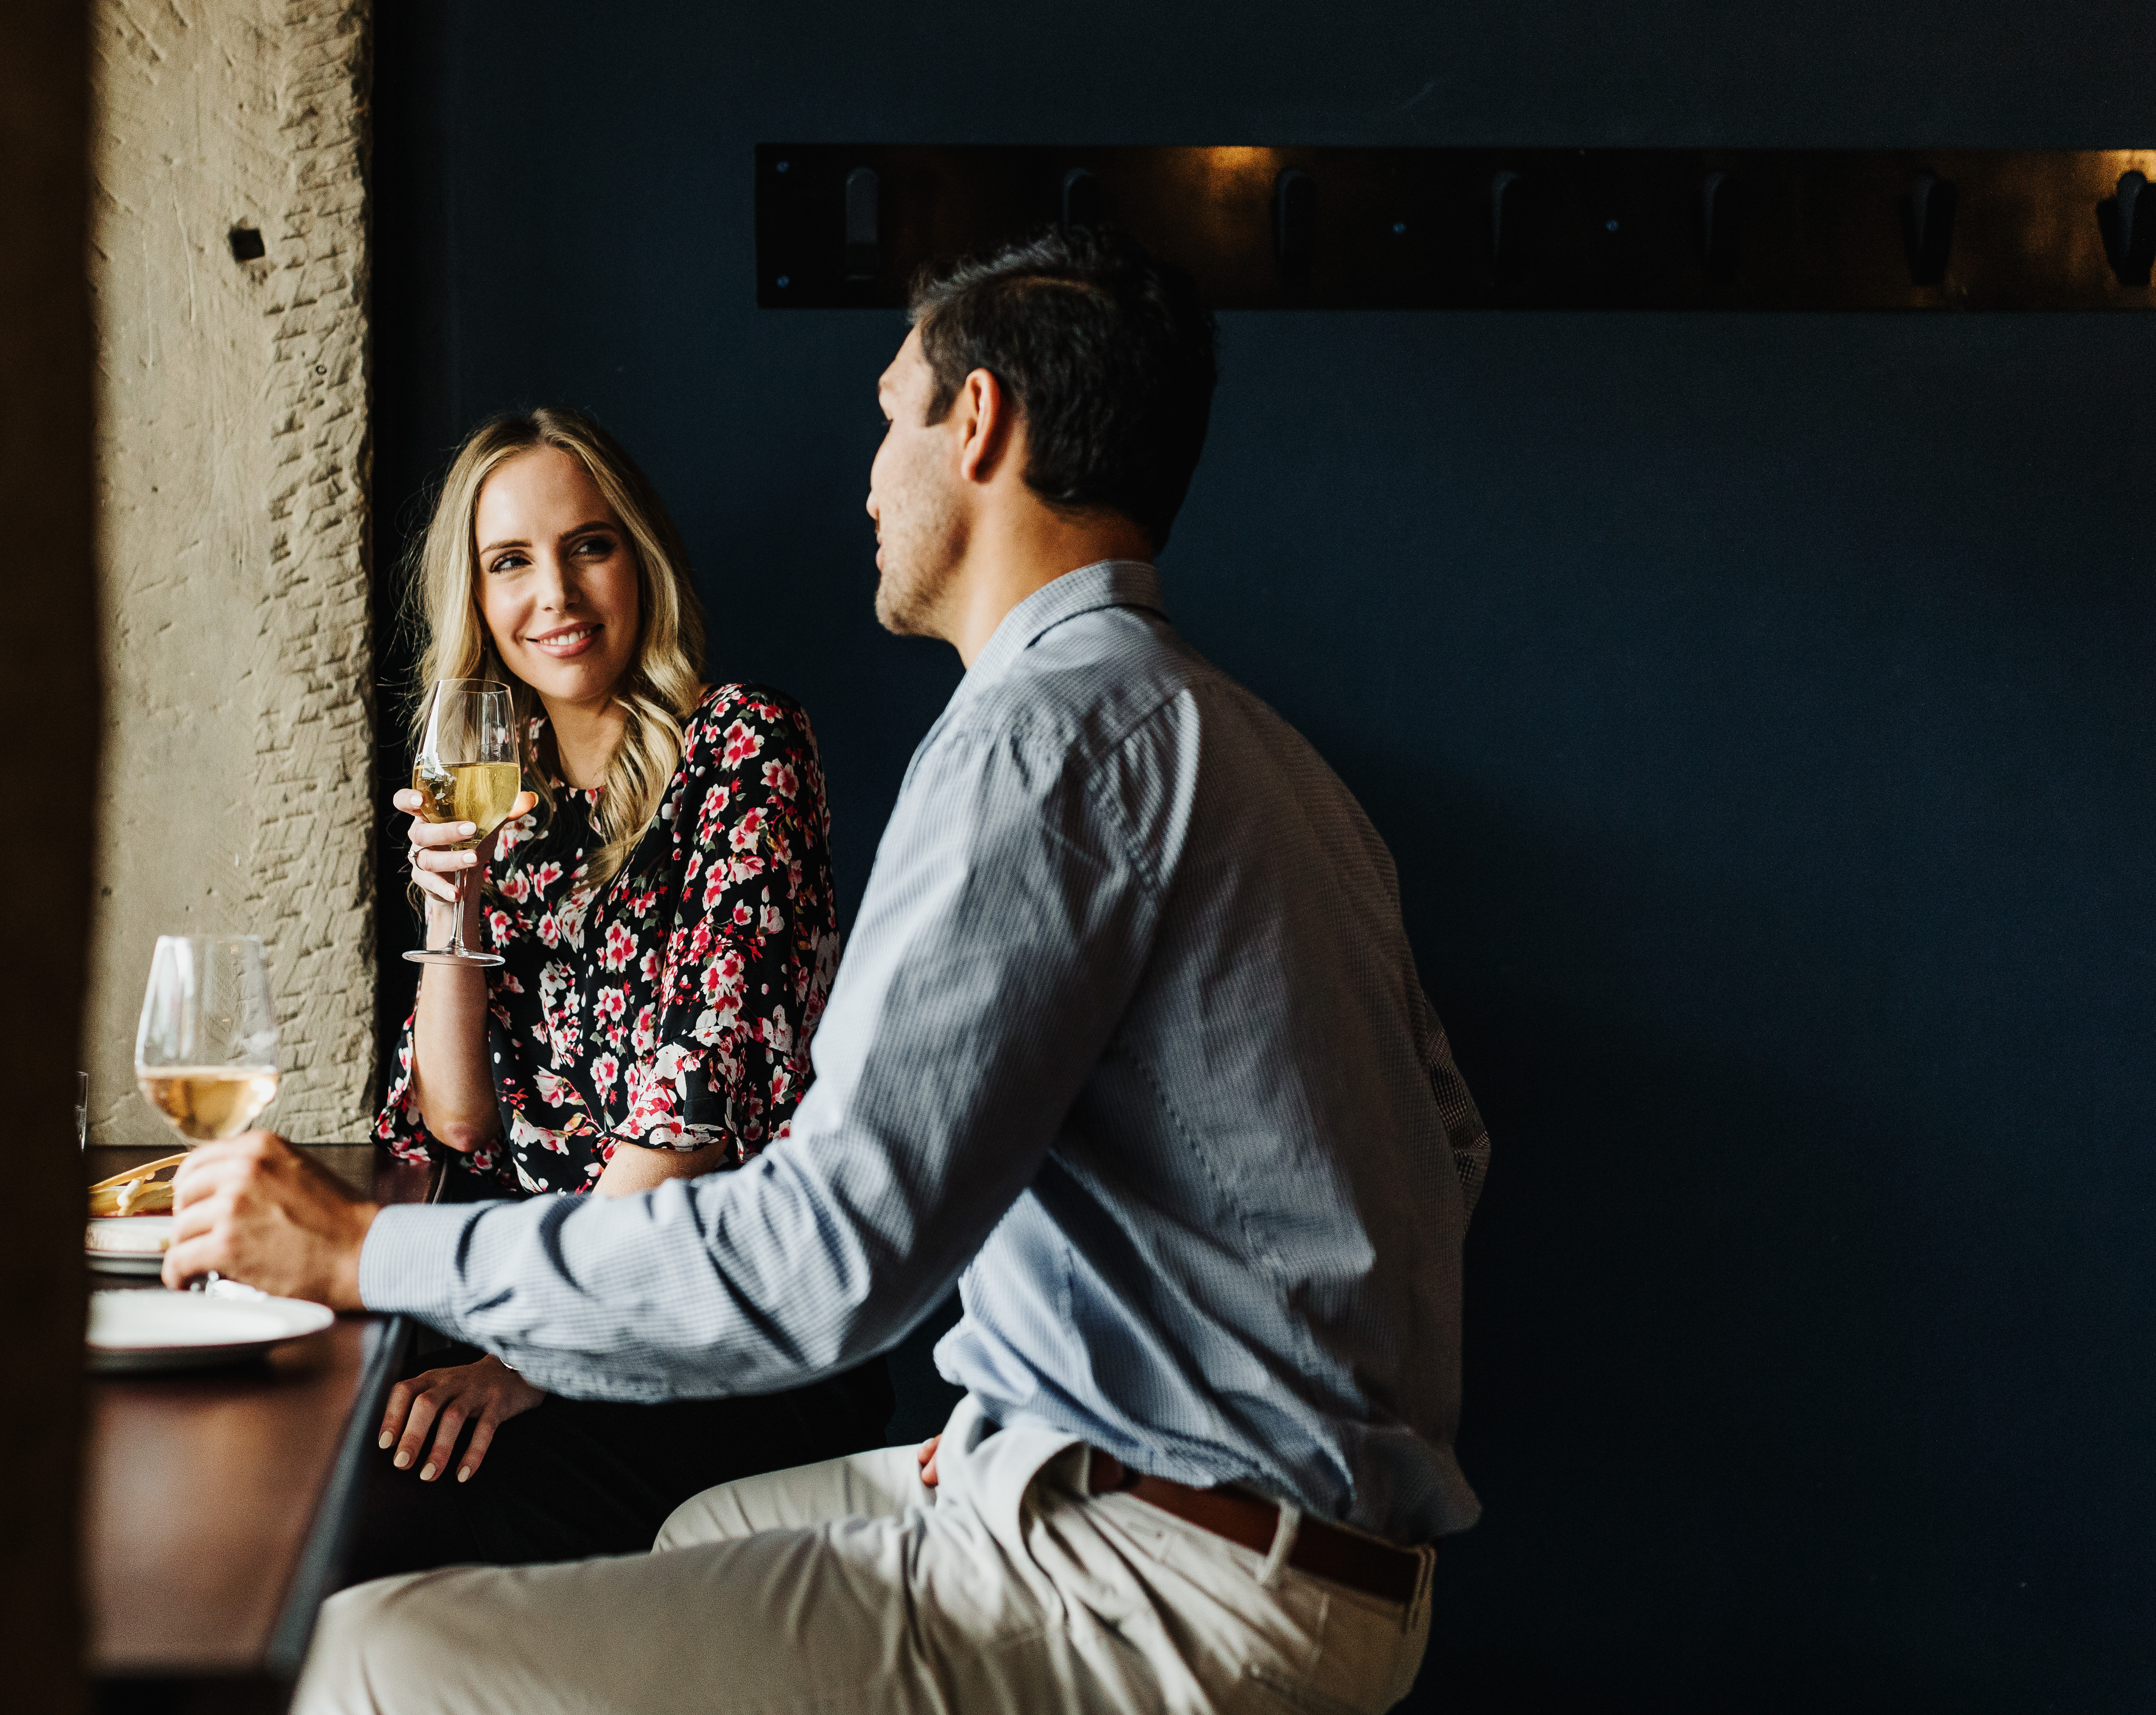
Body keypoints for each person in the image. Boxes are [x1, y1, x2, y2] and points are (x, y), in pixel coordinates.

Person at [165, 226, 1489, 1714]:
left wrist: (359, 1256)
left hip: (1168, 1578)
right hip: (1286, 1538)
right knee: (704, 1530)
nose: (867, 478)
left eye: (886, 418)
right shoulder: (1255, 746)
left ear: (976, 424)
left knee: (368, 1652)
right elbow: (1445, 1151)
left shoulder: (1033, 746)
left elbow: (823, 1260)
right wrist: (1043, 1407)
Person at [350, 408, 888, 1573]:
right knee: (332, 1450)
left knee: (476, 1497)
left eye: (588, 545)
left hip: (726, 1316)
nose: (556, 592)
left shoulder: (745, 752)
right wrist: (455, 915)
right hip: (546, 1298)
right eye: (511, 562)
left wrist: (536, 1357)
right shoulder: (499, 795)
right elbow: (452, 1123)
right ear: (478, 600)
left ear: (638, 561)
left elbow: (689, 1114)